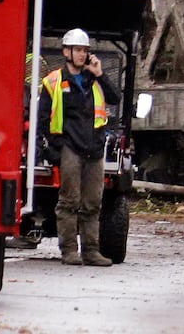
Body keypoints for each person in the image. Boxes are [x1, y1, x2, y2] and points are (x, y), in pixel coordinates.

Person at [38, 28, 119, 266]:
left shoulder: (95, 80)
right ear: (66, 52)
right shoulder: (53, 81)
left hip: (94, 149)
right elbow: (43, 119)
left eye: (85, 51)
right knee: (69, 202)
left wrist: (101, 74)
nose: (82, 55)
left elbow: (115, 98)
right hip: (70, 149)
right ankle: (69, 251)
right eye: (78, 50)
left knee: (93, 203)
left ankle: (91, 251)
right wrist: (53, 149)